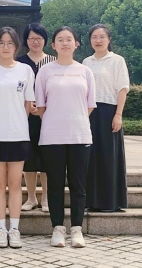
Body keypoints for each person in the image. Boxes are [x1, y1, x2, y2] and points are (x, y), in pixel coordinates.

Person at [35, 26, 96, 249]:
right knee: (55, 185)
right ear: (53, 45)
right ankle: (58, 229)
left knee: (79, 186)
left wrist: (74, 119)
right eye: (60, 40)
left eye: (69, 39)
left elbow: (90, 105)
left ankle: (77, 229)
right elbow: (41, 105)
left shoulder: (85, 71)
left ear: (76, 44)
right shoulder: (45, 71)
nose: (65, 43)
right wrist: (56, 120)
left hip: (80, 135)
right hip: (52, 136)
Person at [0, 27, 35, 249]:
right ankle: (1, 228)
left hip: (18, 133)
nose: (5, 47)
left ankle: (15, 229)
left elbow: (28, 104)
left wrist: (15, 120)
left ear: (16, 46)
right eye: (1, 43)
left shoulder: (25, 70)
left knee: (15, 183)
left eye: (10, 43)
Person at [82, 23, 130, 212]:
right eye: (94, 37)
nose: (98, 40)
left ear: (109, 39)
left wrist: (118, 114)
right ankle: (91, 201)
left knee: (109, 156)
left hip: (109, 112)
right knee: (91, 157)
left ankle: (110, 202)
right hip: (89, 112)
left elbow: (122, 88)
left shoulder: (117, 60)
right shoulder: (86, 62)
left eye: (102, 37)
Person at [16, 23, 56, 213]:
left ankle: (46, 198)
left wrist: (42, 107)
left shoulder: (53, 62)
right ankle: (31, 197)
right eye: (32, 38)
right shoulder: (19, 62)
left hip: (49, 117)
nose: (35, 42)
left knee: (47, 157)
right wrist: (28, 106)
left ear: (45, 40)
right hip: (25, 117)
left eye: (39, 38)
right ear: (26, 41)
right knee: (29, 158)